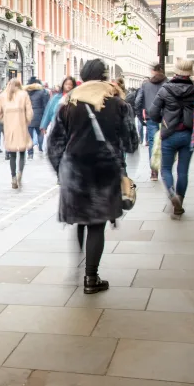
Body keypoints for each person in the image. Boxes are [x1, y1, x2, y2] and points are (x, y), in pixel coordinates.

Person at [47, 59, 138, 294]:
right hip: (104, 171)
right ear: (104, 76)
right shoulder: (119, 104)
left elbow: (54, 142)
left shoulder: (68, 103)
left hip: (74, 171)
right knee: (96, 224)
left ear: (82, 77)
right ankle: (91, 277)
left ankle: (79, 265)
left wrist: (61, 169)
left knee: (80, 220)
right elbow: (130, 143)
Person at [149, 59, 194, 218]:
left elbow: (153, 113)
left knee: (166, 169)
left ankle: (171, 194)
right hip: (188, 135)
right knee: (183, 171)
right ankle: (179, 203)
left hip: (169, 134)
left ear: (175, 71)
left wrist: (163, 118)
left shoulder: (165, 89)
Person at [0, 78, 33, 189]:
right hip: (21, 126)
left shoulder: (3, 96)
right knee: (22, 152)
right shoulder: (24, 94)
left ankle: (13, 177)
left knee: (12, 154)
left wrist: (5, 121)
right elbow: (29, 112)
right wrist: (26, 121)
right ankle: (20, 173)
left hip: (9, 128)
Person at [135, 64, 167, 181]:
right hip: (166, 117)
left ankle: (154, 171)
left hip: (151, 117)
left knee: (153, 143)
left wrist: (140, 117)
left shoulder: (146, 85)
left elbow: (138, 102)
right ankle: (165, 169)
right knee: (165, 142)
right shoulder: (168, 83)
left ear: (154, 72)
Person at [24, 77, 49, 159]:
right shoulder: (42, 92)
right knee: (40, 133)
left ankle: (30, 153)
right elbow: (45, 105)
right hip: (39, 116)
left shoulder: (25, 93)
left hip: (28, 116)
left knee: (29, 136)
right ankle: (40, 148)